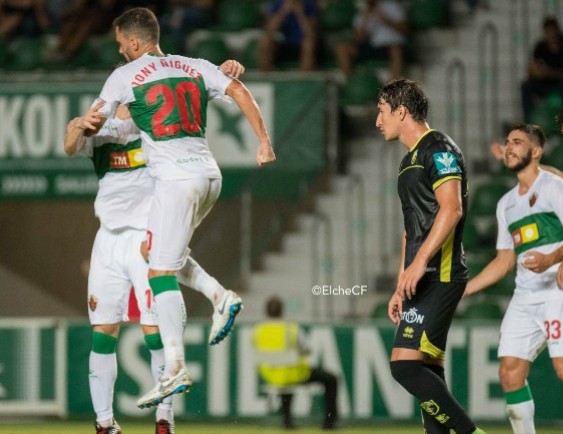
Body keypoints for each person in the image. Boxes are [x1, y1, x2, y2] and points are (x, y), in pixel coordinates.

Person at [85, 7, 276, 410]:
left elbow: (95, 122)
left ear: (134, 43)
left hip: (175, 181)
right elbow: (240, 89)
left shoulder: (123, 77)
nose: (120, 52)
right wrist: (263, 142)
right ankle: (220, 295)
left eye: (121, 45)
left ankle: (174, 367)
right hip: (209, 176)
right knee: (156, 254)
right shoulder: (194, 65)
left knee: (159, 271)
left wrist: (82, 124)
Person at [65, 59, 245, 434]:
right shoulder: (106, 130)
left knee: (154, 334)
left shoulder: (160, 131)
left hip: (147, 236)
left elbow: (197, 90)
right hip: (108, 241)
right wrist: (76, 125)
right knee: (103, 332)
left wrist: (225, 70)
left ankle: (164, 422)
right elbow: (70, 144)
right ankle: (104, 424)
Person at [377, 79, 485, 434]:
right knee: (428, 371)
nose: (378, 121)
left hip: (441, 273)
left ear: (401, 111)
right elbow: (412, 228)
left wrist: (421, 262)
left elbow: (451, 210)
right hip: (421, 277)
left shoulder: (438, 148)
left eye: (381, 111)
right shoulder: (407, 161)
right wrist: (400, 283)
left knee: (404, 367)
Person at [465, 123, 563, 434]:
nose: (509, 147)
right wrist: (464, 290)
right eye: (507, 142)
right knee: (509, 373)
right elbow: (504, 261)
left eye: (518, 142)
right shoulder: (505, 204)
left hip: (556, 293)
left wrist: (551, 259)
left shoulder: (552, 187)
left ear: (536, 152)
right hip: (525, 296)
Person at [252, 296, 338, 430]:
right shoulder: (291, 329)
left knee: (284, 381)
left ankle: (287, 421)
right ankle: (329, 423)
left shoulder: (258, 330)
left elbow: (256, 351)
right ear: (282, 311)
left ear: (266, 311)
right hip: (294, 374)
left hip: (271, 375)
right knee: (331, 379)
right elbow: (307, 349)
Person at [334, 0, 407, 79]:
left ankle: (393, 87)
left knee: (396, 51)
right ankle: (350, 82)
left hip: (392, 45)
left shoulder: (391, 6)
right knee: (341, 48)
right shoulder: (362, 13)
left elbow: (405, 29)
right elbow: (358, 39)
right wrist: (366, 20)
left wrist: (386, 20)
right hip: (373, 46)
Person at [520, 16, 563, 122]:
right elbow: (531, 69)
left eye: (552, 31)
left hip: (560, 84)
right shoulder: (540, 47)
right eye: (548, 31)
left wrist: (550, 73)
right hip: (544, 84)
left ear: (557, 30)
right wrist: (538, 73)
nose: (551, 34)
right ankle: (528, 122)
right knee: (526, 86)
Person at [258, 0, 318, 72]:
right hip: (282, 44)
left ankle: (305, 78)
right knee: (265, 42)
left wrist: (300, 13)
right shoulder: (278, 4)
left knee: (308, 44)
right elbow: (270, 30)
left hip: (301, 44)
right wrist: (283, 11)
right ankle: (265, 76)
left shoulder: (308, 5)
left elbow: (310, 33)